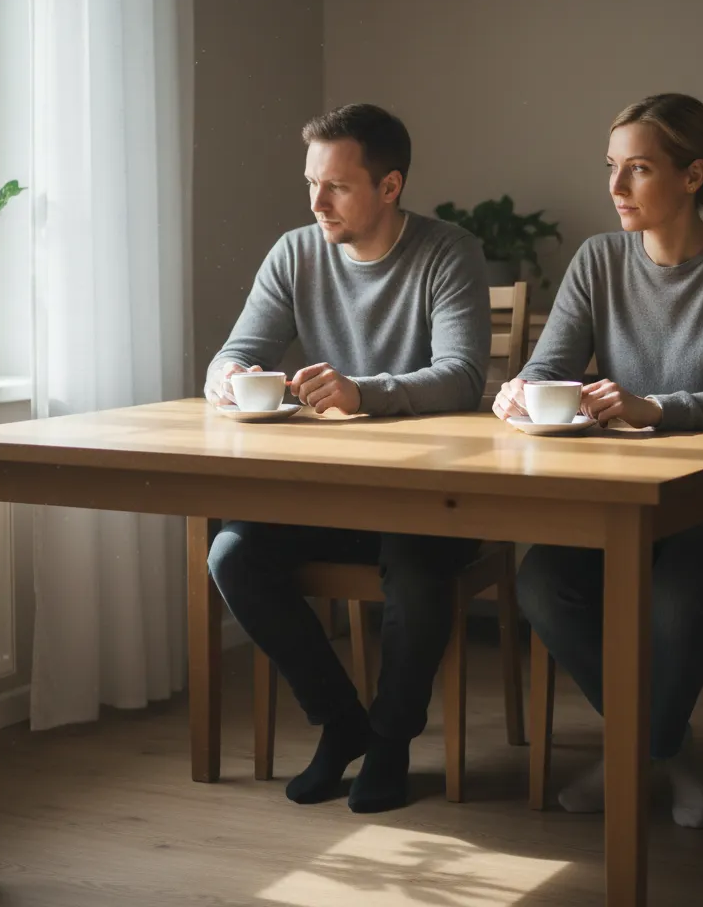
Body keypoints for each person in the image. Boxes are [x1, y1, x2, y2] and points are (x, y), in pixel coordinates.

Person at [493, 93, 703, 828]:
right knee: (542, 584)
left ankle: (639, 751)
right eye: (611, 168)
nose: (615, 189)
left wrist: (656, 407)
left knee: (675, 599)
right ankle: (669, 748)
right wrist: (519, 391)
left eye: (637, 169)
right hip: (624, 504)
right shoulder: (599, 259)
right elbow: (546, 369)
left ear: (693, 176)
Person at [205, 103, 490, 813]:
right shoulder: (295, 252)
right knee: (231, 556)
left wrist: (362, 393)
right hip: (328, 495)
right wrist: (228, 375)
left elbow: (462, 377)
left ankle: (390, 740)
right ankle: (342, 724)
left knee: (416, 566)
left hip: (431, 498)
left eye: (335, 186)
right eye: (310, 183)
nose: (315, 202)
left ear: (389, 187)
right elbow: (239, 350)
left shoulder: (448, 250)